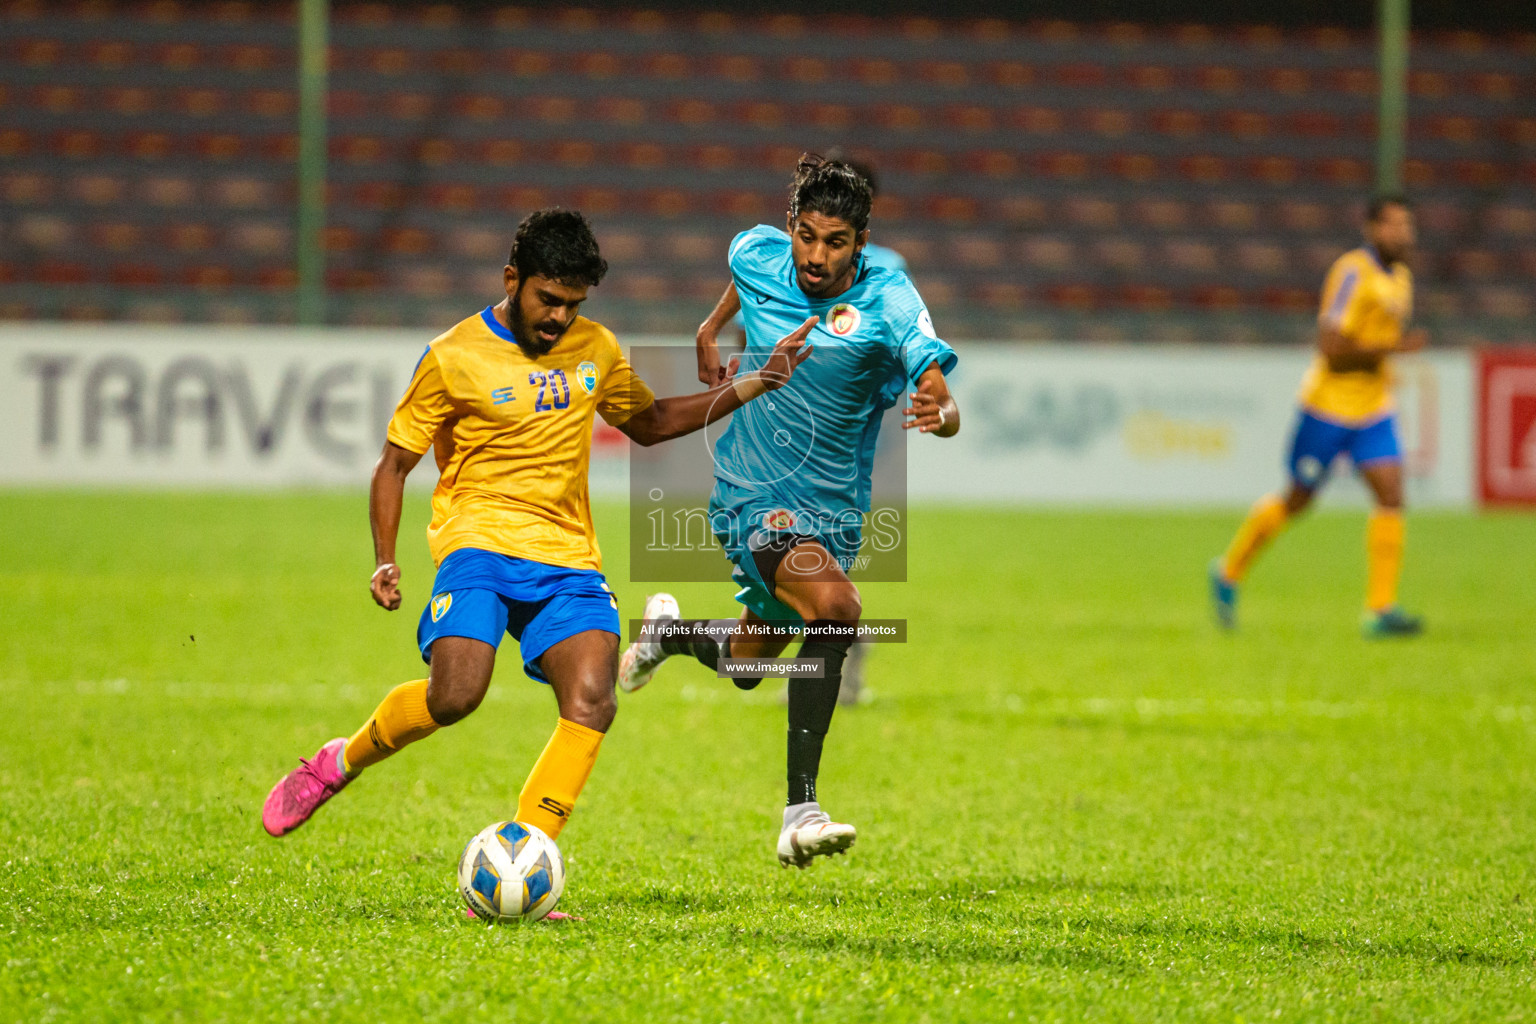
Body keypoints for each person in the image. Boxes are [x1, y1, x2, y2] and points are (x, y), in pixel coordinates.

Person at [262, 209, 814, 852]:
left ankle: (525, 860)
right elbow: (394, 465)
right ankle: (340, 761)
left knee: (592, 701)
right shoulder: (453, 356)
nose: (558, 317)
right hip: (479, 543)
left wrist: (760, 380)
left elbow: (653, 422)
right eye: (547, 299)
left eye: (572, 305)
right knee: (456, 697)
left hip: (568, 556)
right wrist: (384, 558)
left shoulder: (596, 349)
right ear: (511, 279)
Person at [616, 156, 961, 867]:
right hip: (751, 492)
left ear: (860, 242)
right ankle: (800, 809)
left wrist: (943, 409)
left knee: (750, 664)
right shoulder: (755, 250)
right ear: (789, 228)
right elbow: (746, 280)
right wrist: (710, 327)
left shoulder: (890, 299)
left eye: (835, 243)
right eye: (806, 236)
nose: (816, 256)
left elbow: (932, 377)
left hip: (834, 509)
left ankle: (667, 634)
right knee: (838, 608)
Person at [1210, 195, 1426, 637]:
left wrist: (1386, 362)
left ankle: (1380, 610)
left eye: (1408, 226)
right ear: (1372, 229)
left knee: (1391, 492)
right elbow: (1331, 350)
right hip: (1327, 408)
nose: (1405, 235)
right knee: (1298, 499)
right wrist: (1391, 351)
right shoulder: (1352, 272)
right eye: (1395, 226)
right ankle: (1229, 570)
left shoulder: (1401, 279)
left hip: (1373, 409)